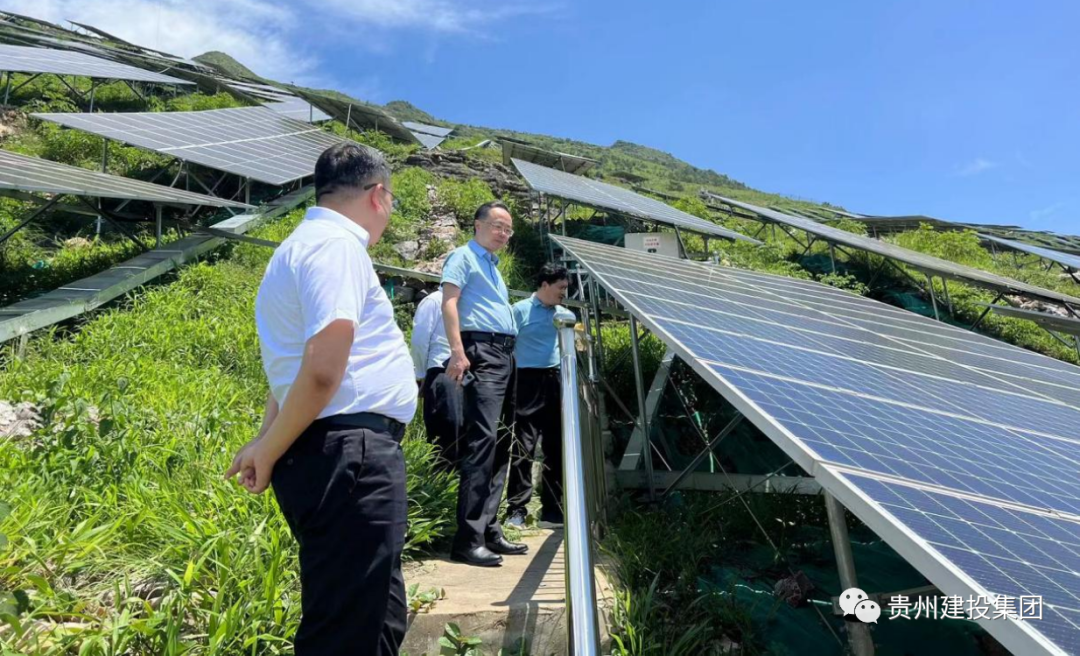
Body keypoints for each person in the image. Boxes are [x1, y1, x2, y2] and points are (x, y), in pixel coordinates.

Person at [225, 142, 416, 656]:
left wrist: (267, 440)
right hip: (351, 455)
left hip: (333, 451)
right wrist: (267, 449)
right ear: (378, 194)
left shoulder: (298, 247)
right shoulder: (336, 246)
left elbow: (291, 370)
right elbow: (322, 369)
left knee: (375, 619)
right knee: (345, 633)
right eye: (392, 200)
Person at [442, 201, 528, 567]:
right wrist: (458, 352)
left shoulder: (493, 267)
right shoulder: (462, 257)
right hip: (481, 349)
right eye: (497, 226)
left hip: (504, 353)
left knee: (502, 441)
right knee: (482, 442)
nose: (504, 234)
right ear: (477, 224)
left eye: (508, 229)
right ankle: (468, 539)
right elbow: (450, 303)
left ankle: (489, 529)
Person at [504, 263, 572, 529]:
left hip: (555, 380)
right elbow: (507, 347)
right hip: (526, 381)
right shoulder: (519, 310)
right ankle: (517, 510)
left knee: (556, 447)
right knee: (524, 446)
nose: (564, 292)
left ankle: (553, 511)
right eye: (560, 287)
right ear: (545, 285)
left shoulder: (565, 315)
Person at [411, 287, 463, 470]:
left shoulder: (463, 302)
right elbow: (419, 341)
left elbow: (419, 340)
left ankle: (447, 481)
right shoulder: (435, 300)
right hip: (444, 372)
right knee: (446, 438)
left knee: (450, 438)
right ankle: (441, 483)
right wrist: (421, 375)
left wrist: (420, 375)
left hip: (455, 374)